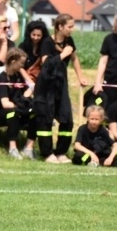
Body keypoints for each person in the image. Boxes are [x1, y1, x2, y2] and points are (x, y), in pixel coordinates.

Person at [34, 13, 88, 164]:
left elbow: (75, 58)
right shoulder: (46, 43)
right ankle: (47, 153)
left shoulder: (69, 41)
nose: (72, 29)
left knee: (67, 119)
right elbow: (46, 65)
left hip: (61, 85)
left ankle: (61, 153)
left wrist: (80, 76)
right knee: (45, 120)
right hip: (46, 87)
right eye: (70, 27)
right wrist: (62, 55)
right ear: (60, 27)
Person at [0, 48, 36, 159]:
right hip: (1, 111)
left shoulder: (18, 77)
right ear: (13, 62)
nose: (22, 66)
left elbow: (31, 88)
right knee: (13, 113)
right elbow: (5, 103)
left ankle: (28, 148)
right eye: (21, 63)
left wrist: (26, 98)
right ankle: (12, 148)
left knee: (36, 113)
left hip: (17, 107)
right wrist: (21, 107)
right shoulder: (1, 79)